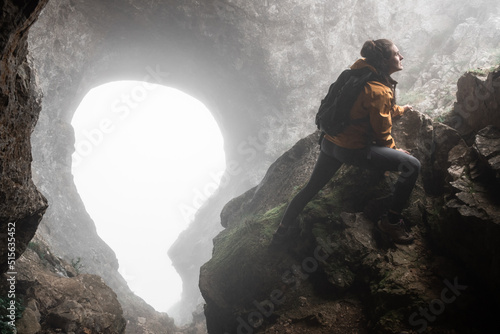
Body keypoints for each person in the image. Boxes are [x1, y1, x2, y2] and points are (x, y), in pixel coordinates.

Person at [272, 39, 421, 246]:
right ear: (385, 60)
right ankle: (392, 222)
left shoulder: (357, 73)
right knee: (412, 166)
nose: (401, 56)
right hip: (351, 150)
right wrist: (395, 152)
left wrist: (401, 109)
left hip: (328, 143)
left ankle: (281, 232)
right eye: (397, 54)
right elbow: (382, 132)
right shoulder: (378, 89)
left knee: (310, 188)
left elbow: (371, 110)